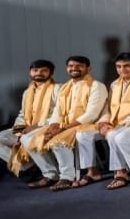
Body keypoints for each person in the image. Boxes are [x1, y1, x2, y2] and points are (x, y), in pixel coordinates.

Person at [23, 56, 108, 191]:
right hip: (64, 124)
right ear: (67, 68)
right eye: (71, 66)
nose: (74, 69)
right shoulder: (65, 87)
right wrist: (54, 125)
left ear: (89, 68)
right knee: (27, 138)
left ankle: (67, 177)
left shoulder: (96, 86)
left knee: (58, 141)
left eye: (79, 66)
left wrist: (63, 129)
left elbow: (91, 114)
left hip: (87, 124)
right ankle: (51, 175)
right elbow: (58, 111)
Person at [78, 53, 130, 190]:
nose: (122, 70)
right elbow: (108, 106)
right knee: (82, 135)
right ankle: (91, 171)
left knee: (114, 135)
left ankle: (122, 173)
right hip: (114, 123)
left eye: (127, 66)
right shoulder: (114, 84)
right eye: (118, 66)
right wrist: (104, 122)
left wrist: (120, 124)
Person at [0, 59, 57, 178]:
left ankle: (51, 174)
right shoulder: (28, 92)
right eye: (35, 70)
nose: (39, 73)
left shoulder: (58, 89)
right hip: (26, 127)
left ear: (51, 73)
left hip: (47, 126)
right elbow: (22, 114)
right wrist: (19, 129)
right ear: (30, 72)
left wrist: (36, 126)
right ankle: (29, 165)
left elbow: (60, 114)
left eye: (44, 70)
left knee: (28, 138)